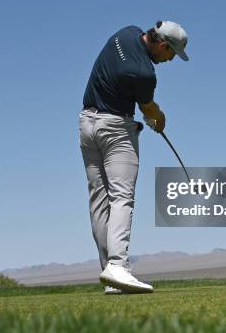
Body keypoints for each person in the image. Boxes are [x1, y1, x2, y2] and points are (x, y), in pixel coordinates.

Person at [79, 21, 189, 294]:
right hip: (115, 130)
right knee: (122, 196)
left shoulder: (125, 32)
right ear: (163, 45)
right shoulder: (145, 73)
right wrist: (159, 118)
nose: (170, 60)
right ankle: (118, 265)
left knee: (99, 201)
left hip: (86, 125)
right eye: (171, 54)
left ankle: (110, 274)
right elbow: (148, 108)